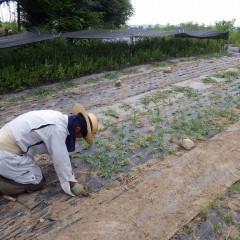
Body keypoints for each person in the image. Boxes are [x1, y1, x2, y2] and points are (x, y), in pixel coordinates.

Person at [0, 103, 98, 197]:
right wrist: (71, 183)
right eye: (81, 135)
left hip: (6, 138)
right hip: (5, 151)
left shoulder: (58, 117)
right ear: (77, 129)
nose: (79, 137)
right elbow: (60, 158)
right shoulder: (57, 130)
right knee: (36, 182)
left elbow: (55, 146)